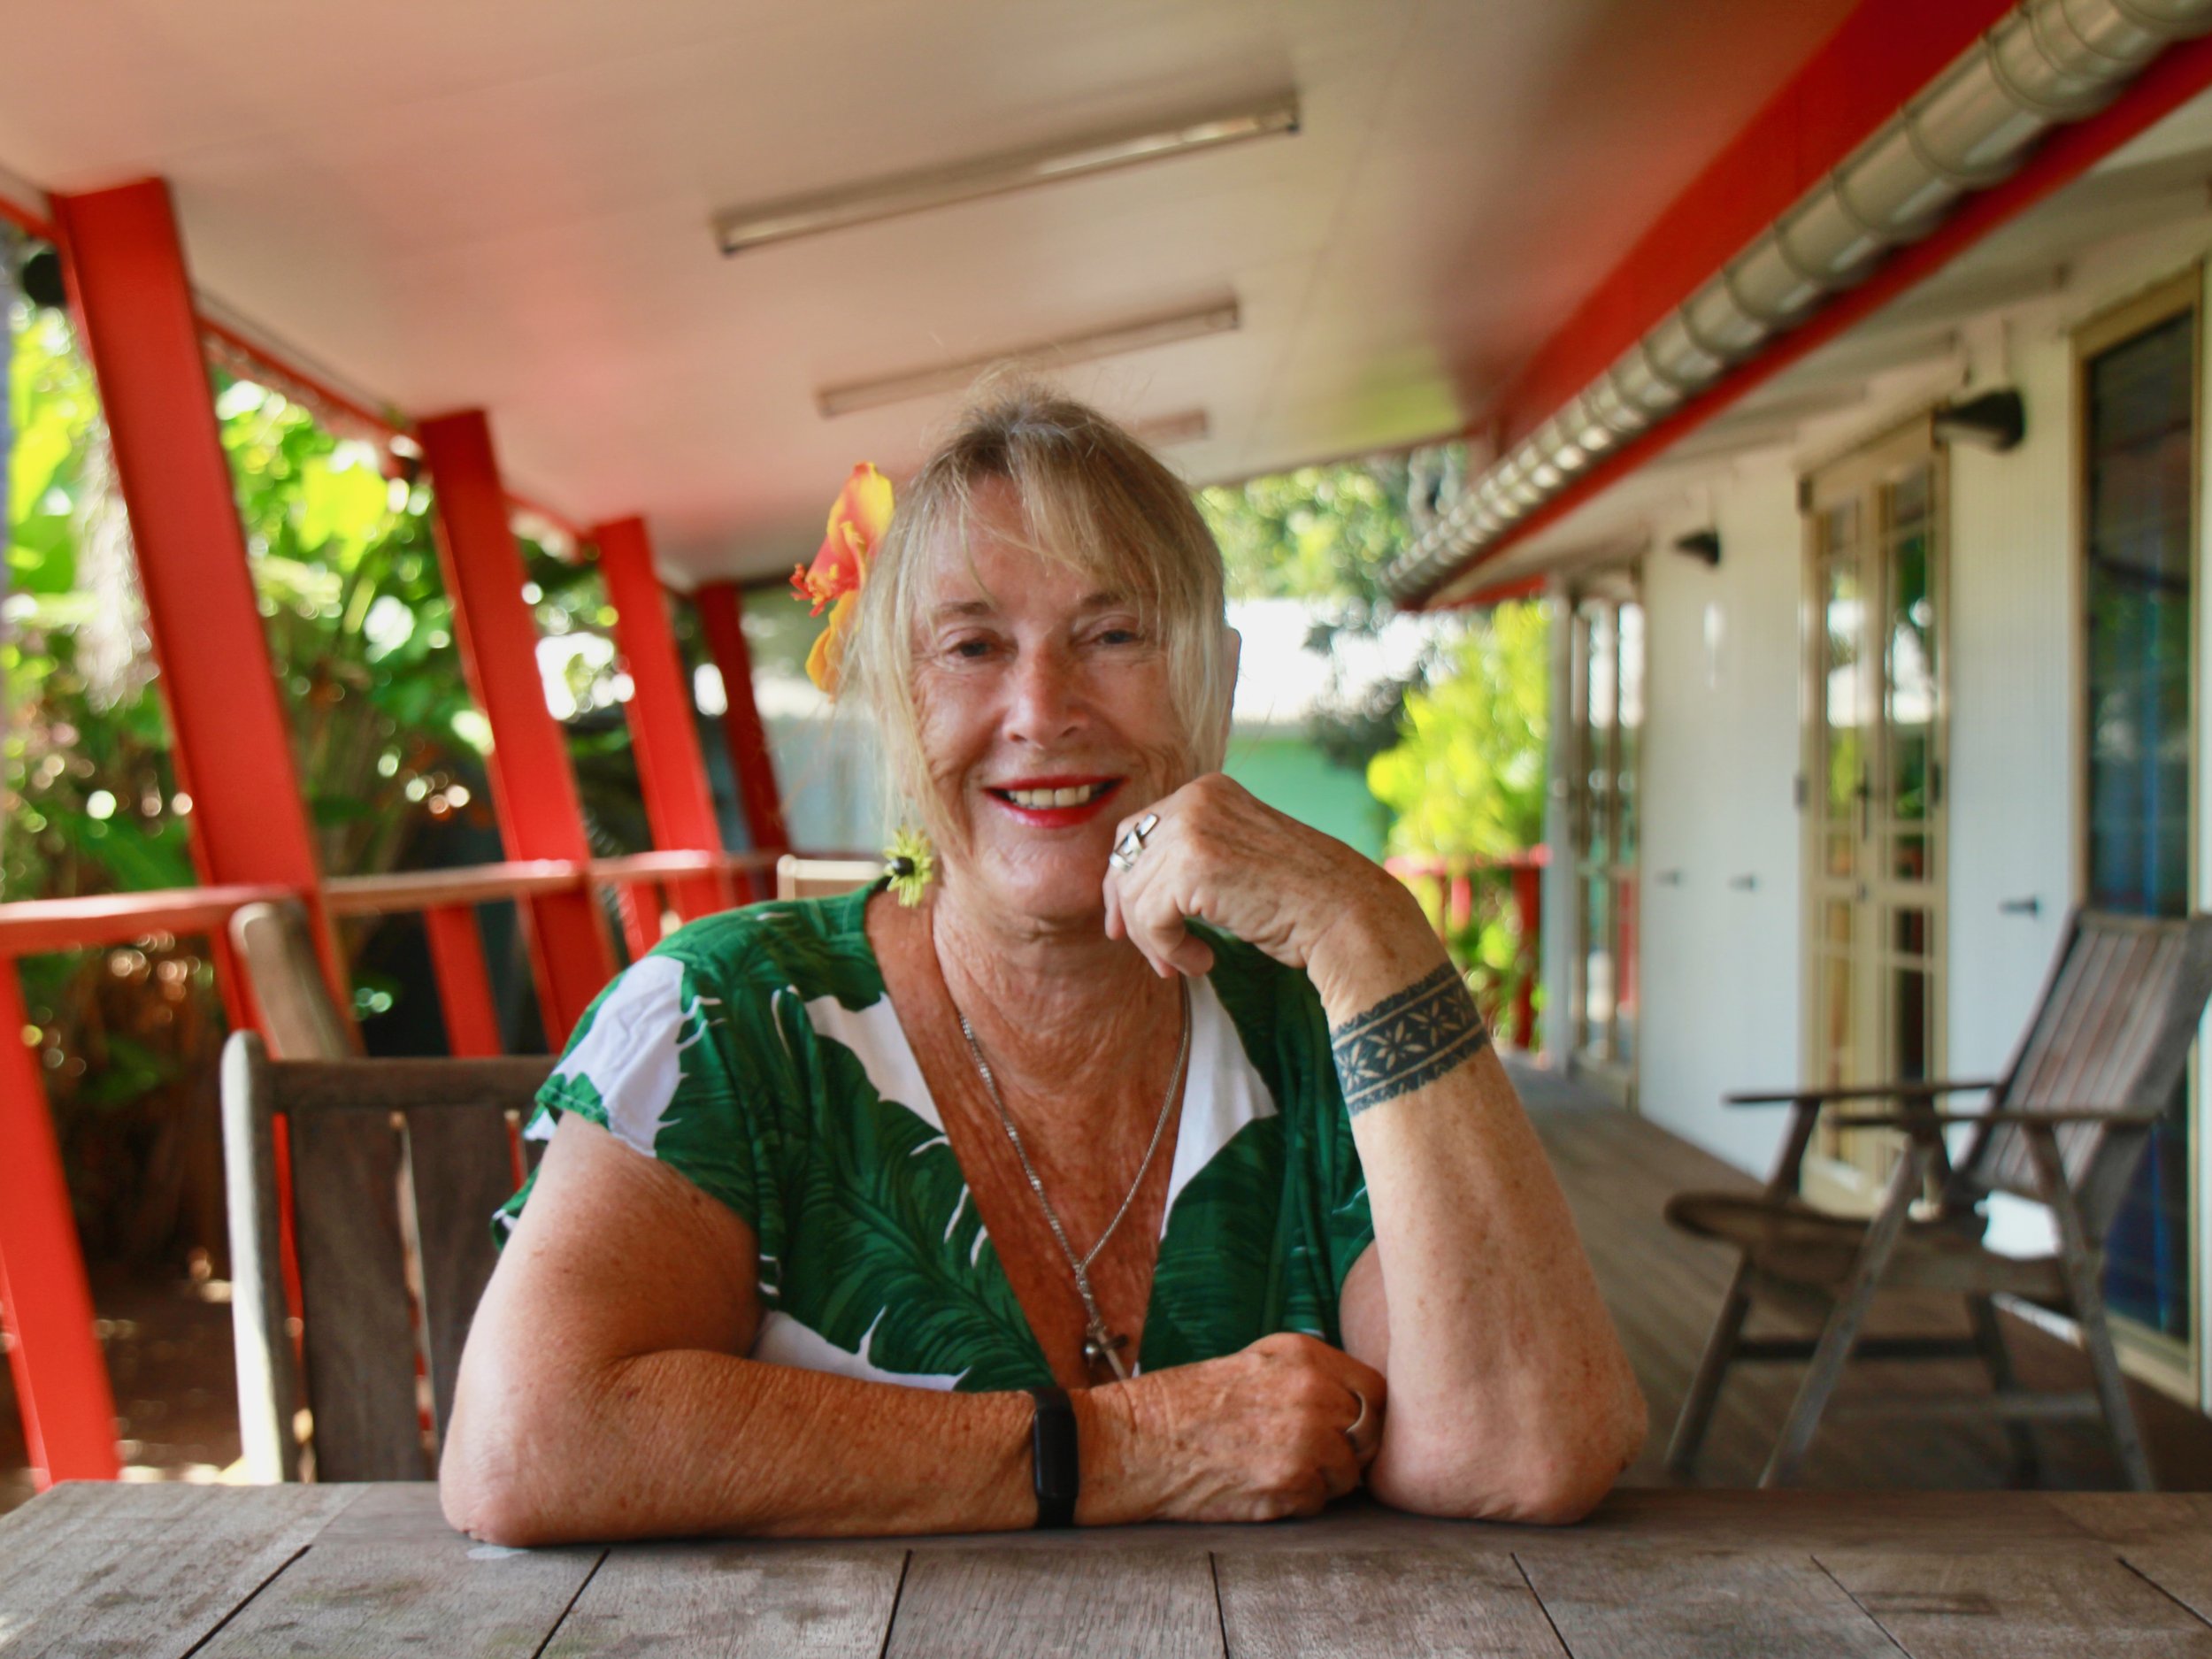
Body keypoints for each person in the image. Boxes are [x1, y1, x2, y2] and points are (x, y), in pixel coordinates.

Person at [439, 389, 1645, 1542]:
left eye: (1114, 634)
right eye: (971, 646)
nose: (1042, 707)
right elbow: (529, 1443)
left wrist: (1367, 928)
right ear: (898, 706)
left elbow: (1525, 1450)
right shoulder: (727, 1020)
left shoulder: (1325, 1024)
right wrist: (1124, 1447)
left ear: (1213, 679)